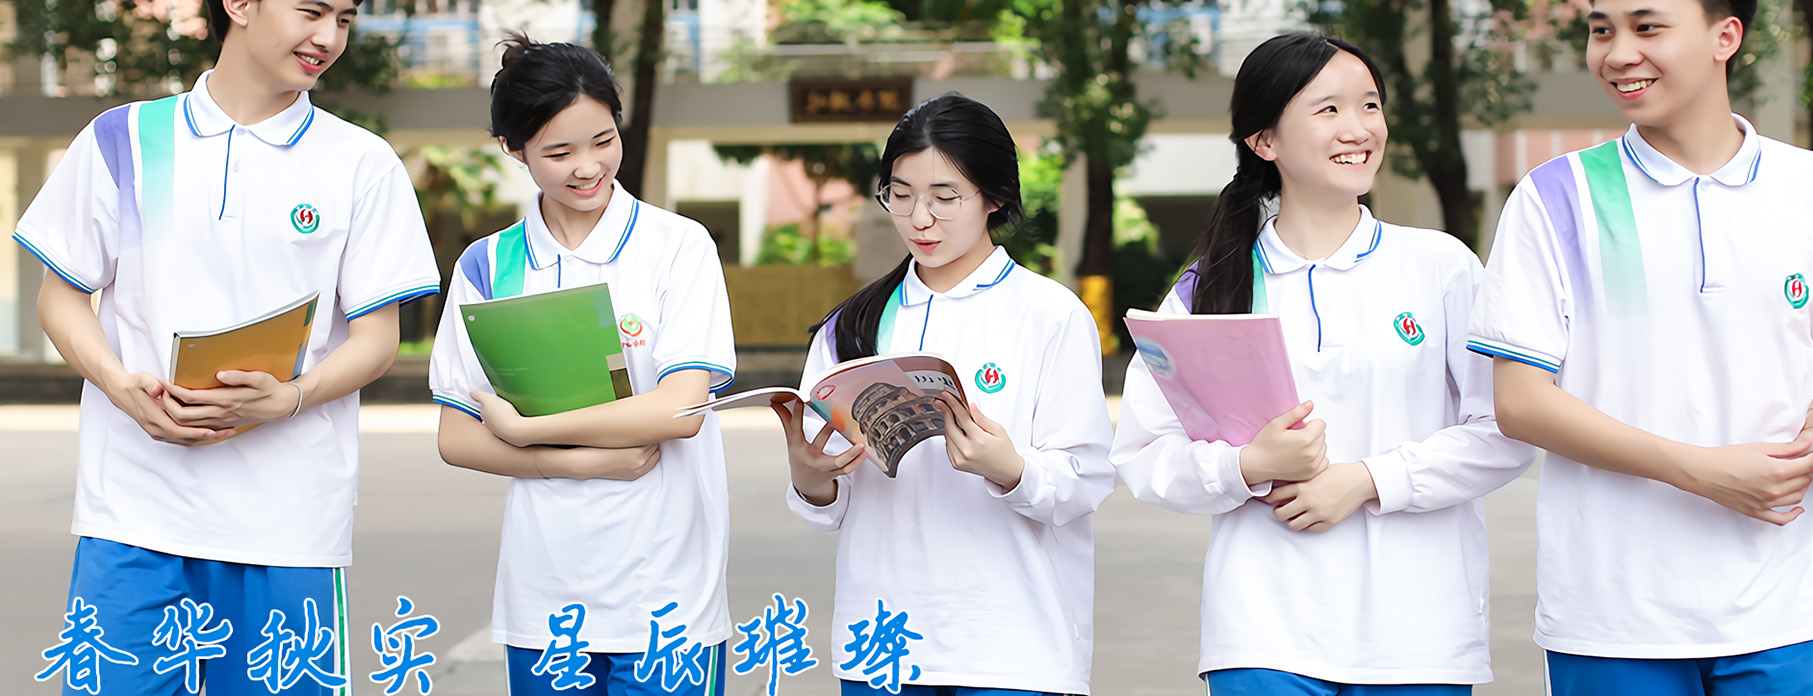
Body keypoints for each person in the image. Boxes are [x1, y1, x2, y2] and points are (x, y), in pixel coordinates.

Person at [1471, 0, 1813, 691]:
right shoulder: (1555, 196)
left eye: (1647, 26)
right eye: (1601, 30)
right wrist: (1701, 471)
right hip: (1615, 615)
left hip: (1797, 606)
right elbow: (1521, 404)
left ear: (1725, 36)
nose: (1618, 53)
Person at [20, 0, 440, 693]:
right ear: (239, 5)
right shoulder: (122, 140)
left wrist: (291, 397)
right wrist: (121, 387)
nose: (328, 37)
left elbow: (377, 338)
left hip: (288, 525)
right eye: (312, 11)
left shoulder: (361, 162)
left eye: (344, 19)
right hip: (134, 514)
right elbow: (61, 297)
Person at [1111, 33, 1536, 695]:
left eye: (1370, 106)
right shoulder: (1210, 285)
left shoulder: (1440, 267)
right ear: (1264, 140)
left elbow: (1505, 430)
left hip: (1416, 637)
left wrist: (1366, 481)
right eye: (1328, 109)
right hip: (1262, 634)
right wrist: (1247, 466)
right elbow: (1145, 452)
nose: (1358, 128)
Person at [777, 92, 1115, 696]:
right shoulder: (851, 327)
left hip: (1012, 647)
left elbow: (1085, 482)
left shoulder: (1049, 315)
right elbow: (829, 508)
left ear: (995, 196)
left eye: (944, 197)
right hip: (882, 646)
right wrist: (810, 478)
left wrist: (1010, 469)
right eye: (901, 195)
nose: (919, 219)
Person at [429, 34, 737, 696]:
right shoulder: (487, 266)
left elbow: (682, 408)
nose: (588, 167)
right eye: (559, 152)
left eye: (603, 140)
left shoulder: (677, 246)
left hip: (668, 594)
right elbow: (456, 436)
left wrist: (526, 431)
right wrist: (576, 462)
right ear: (514, 149)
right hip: (546, 598)